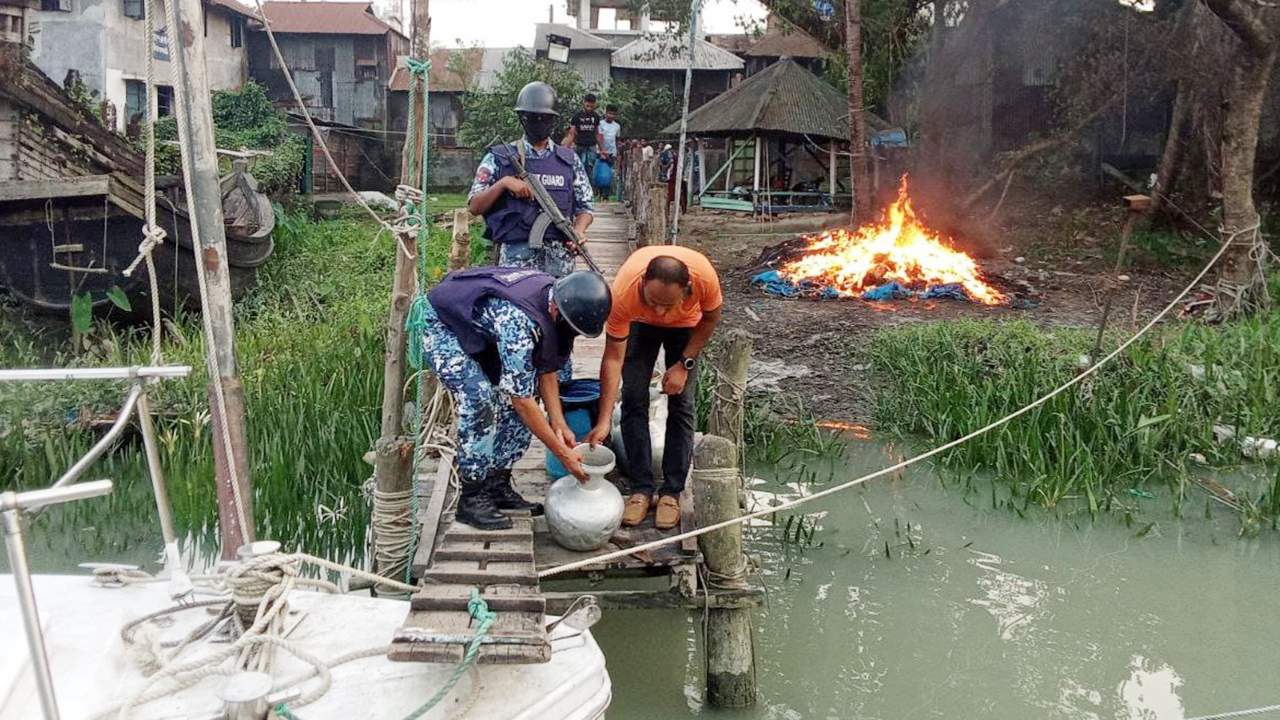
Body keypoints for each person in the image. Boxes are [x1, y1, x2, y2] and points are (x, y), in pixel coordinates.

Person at [420, 267, 612, 530]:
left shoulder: (559, 306)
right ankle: (472, 497)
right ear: (557, 309)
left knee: (523, 394)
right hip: (444, 326)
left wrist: (558, 422)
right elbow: (521, 400)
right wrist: (562, 453)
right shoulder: (520, 321)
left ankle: (497, 484)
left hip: (485, 332)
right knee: (480, 398)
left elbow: (547, 367)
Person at [585, 246, 723, 530]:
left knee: (681, 403)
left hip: (686, 327)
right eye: (654, 300)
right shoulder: (623, 294)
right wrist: (602, 420)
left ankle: (672, 492)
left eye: (667, 304)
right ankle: (641, 488)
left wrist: (683, 364)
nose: (660, 311)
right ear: (643, 283)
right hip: (640, 323)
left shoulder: (705, 278)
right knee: (634, 398)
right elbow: (613, 358)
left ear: (687, 289)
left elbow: (710, 319)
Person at [468, 81, 594, 279]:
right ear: (522, 118)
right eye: (533, 118)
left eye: (545, 118)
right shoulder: (499, 158)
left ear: (553, 120)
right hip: (515, 262)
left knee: (560, 309)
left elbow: (585, 206)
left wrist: (578, 231)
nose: (539, 122)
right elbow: (474, 205)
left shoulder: (570, 160)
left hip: (559, 261)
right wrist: (504, 183)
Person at [563, 93, 602, 179]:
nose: (589, 108)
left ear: (594, 105)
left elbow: (598, 134)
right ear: (584, 103)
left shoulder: (596, 117)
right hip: (579, 145)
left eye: (591, 106)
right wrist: (565, 148)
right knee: (577, 167)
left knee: (590, 169)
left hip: (591, 146)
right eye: (587, 105)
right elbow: (571, 133)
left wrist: (602, 150)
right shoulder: (577, 116)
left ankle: (590, 188)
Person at [595, 105, 622, 199]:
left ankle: (606, 195)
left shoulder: (617, 126)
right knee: (600, 173)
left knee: (609, 174)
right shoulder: (600, 124)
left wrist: (618, 153)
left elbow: (617, 140)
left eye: (613, 114)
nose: (611, 116)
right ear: (606, 113)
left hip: (611, 153)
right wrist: (602, 151)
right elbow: (599, 137)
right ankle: (599, 193)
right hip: (601, 153)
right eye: (610, 113)